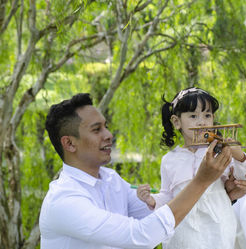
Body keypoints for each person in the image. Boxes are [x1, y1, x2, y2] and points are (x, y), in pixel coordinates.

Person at [39, 93, 235, 249]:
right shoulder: (64, 201)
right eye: (97, 129)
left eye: (106, 127)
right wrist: (201, 182)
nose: (109, 135)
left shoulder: (110, 180)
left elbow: (163, 207)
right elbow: (141, 236)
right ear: (69, 143)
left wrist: (223, 194)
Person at [137, 87, 246, 249]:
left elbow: (243, 177)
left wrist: (240, 157)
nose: (201, 121)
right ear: (177, 122)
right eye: (193, 116)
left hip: (218, 226)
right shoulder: (169, 160)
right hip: (183, 229)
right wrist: (151, 200)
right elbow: (168, 196)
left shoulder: (220, 150)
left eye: (207, 115)